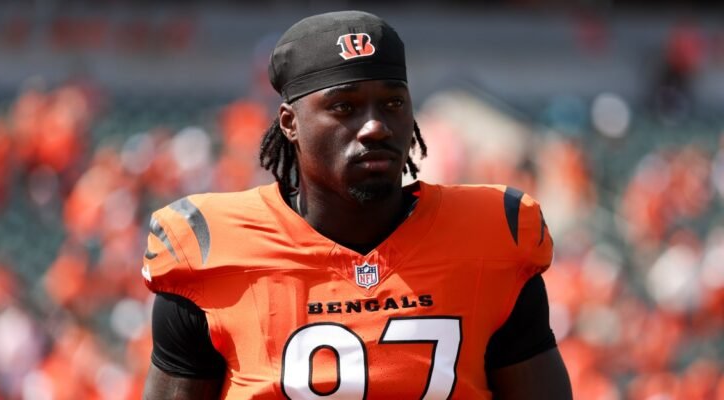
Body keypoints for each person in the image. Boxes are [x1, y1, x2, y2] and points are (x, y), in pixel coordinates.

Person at [141, 10, 572, 399]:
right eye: (344, 106)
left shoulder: (490, 236)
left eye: (393, 103)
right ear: (290, 123)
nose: (375, 126)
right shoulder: (209, 248)